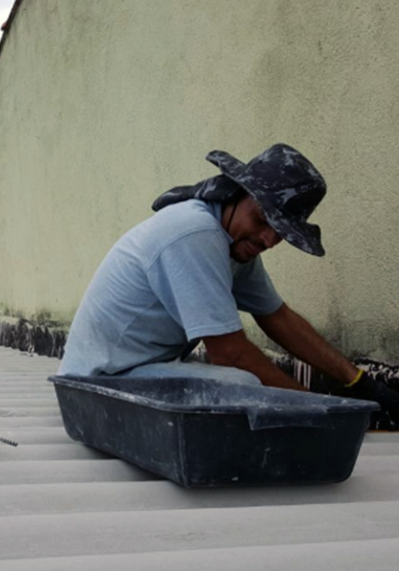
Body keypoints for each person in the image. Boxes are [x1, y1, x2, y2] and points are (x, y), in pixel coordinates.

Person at [58, 143, 398, 423]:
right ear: (237, 194)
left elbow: (278, 317)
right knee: (243, 383)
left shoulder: (234, 243)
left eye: (281, 233)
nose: (267, 239)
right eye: (263, 219)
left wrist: (358, 381)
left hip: (135, 373)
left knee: (246, 388)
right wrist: (326, 412)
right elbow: (231, 355)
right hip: (95, 388)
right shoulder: (195, 234)